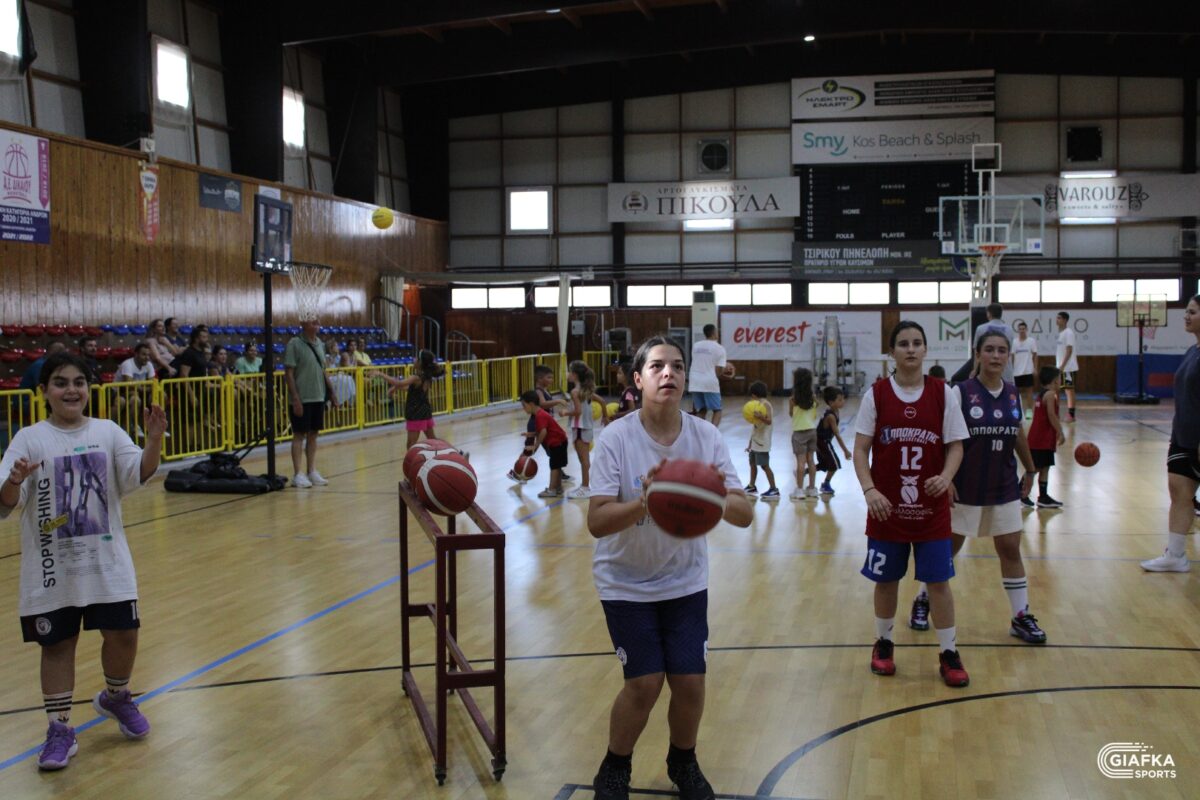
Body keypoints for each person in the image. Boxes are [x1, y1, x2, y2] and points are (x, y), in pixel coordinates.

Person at [586, 335, 752, 800]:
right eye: (658, 366)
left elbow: (744, 513)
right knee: (644, 685)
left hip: (685, 580)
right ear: (637, 380)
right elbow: (597, 521)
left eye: (678, 366)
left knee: (690, 683)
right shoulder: (616, 438)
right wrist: (648, 502)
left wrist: (706, 493)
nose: (669, 373)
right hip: (625, 582)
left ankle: (684, 760)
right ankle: (614, 766)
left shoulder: (706, 437)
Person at [0, 351, 166, 771]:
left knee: (124, 634)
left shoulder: (107, 431)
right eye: (61, 383)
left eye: (78, 382)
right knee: (57, 645)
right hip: (52, 570)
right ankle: (59, 729)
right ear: (44, 391)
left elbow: (138, 474)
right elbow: (6, 500)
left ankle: (116, 697)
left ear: (89, 389)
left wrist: (153, 442)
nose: (71, 390)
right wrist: (15, 480)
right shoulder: (28, 439)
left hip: (107, 564)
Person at [907, 330, 1046, 643]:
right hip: (965, 487)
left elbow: (1018, 433)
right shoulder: (960, 392)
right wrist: (945, 478)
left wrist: (1030, 469)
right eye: (990, 350)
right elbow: (941, 438)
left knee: (1010, 548)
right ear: (977, 354)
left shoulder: (1013, 393)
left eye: (1002, 351)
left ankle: (1020, 615)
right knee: (948, 551)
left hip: (1004, 485)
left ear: (1008, 356)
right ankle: (923, 598)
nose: (996, 356)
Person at [854, 320, 969, 687]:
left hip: (931, 511)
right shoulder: (876, 395)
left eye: (917, 343)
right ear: (892, 352)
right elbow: (860, 449)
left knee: (939, 583)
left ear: (925, 350)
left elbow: (956, 446)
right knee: (886, 581)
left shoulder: (942, 393)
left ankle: (949, 651)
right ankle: (884, 643)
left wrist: (946, 477)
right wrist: (869, 490)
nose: (911, 349)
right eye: (903, 343)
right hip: (887, 509)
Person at [1141, 294, 1200, 572]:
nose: (1186, 316)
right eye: (1186, 311)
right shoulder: (1192, 351)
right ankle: (1175, 555)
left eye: (1193, 312)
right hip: (1183, 436)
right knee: (1179, 491)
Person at [283, 319, 335, 488]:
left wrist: (332, 392)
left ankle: (311, 470)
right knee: (299, 434)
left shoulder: (320, 344)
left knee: (314, 434)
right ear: (303, 324)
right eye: (312, 322)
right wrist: (295, 398)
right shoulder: (294, 343)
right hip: (302, 398)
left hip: (318, 396)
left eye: (317, 322)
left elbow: (323, 370)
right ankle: (298, 474)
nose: (316, 324)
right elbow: (289, 373)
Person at [367, 349, 453, 450]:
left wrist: (380, 374)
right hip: (425, 410)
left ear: (420, 362)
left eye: (416, 358)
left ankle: (410, 461)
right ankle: (457, 452)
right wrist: (395, 388)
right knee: (433, 439)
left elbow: (399, 383)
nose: (414, 359)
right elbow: (412, 389)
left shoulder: (416, 377)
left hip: (415, 412)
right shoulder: (426, 376)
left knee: (411, 444)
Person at [1022, 366, 1066, 509]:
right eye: (1059, 379)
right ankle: (1020, 492)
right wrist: (1060, 431)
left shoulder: (1041, 394)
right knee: (1034, 468)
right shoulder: (1051, 395)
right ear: (1054, 381)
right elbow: (1051, 415)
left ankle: (1043, 497)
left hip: (1041, 438)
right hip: (1041, 439)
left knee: (1044, 467)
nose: (1060, 381)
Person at [565, 360, 604, 500]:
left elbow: (577, 411)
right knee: (584, 459)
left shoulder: (575, 392)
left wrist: (565, 412)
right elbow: (602, 401)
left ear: (575, 375)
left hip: (580, 428)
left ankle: (586, 487)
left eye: (569, 371)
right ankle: (585, 486)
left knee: (584, 459)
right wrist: (605, 416)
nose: (567, 374)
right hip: (585, 428)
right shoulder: (586, 390)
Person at [519, 389, 568, 499]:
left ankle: (551, 490)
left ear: (531, 404)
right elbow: (543, 430)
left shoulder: (539, 415)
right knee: (557, 466)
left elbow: (543, 432)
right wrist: (531, 434)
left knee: (554, 467)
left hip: (557, 443)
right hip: (561, 441)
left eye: (524, 405)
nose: (523, 408)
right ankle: (558, 487)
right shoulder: (541, 413)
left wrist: (535, 445)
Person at [687, 324, 733, 426]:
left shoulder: (696, 346)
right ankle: (712, 433)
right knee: (717, 410)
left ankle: (698, 432)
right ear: (714, 333)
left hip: (694, 381)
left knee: (701, 409)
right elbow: (718, 371)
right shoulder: (720, 348)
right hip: (709, 382)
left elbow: (700, 362)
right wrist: (724, 371)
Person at [744, 380, 779, 500]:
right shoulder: (756, 405)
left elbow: (769, 421)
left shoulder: (766, 405)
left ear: (754, 395)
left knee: (764, 466)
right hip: (755, 440)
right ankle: (751, 486)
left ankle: (774, 489)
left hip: (763, 442)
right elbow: (755, 426)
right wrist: (750, 443)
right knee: (752, 464)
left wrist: (760, 416)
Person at [788, 367, 819, 500]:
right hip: (812, 431)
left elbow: (791, 414)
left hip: (799, 433)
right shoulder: (813, 397)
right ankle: (812, 489)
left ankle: (799, 490)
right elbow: (815, 410)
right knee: (811, 460)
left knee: (800, 462)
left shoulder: (793, 399)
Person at [815, 386, 852, 496]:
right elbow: (837, 435)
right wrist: (845, 451)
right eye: (839, 400)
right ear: (831, 402)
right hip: (822, 442)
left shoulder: (835, 411)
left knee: (824, 464)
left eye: (843, 399)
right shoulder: (831, 416)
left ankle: (803, 472)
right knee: (834, 464)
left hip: (821, 441)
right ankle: (825, 484)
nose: (843, 401)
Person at [1011, 321, 1038, 419]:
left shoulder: (1031, 341)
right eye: (1020, 329)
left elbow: (1035, 355)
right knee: (1016, 394)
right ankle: (1017, 412)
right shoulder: (1014, 342)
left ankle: (1029, 412)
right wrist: (1011, 369)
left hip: (1028, 371)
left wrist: (1035, 368)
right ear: (1018, 330)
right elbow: (1012, 356)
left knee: (1029, 393)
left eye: (1023, 329)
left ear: (1026, 330)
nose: (1022, 331)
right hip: (1016, 372)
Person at [1055, 311, 1078, 422]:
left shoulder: (1069, 333)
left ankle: (1071, 415)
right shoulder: (1061, 334)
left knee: (1069, 390)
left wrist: (1062, 366)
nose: (1057, 320)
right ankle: (1056, 413)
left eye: (1059, 318)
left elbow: (1069, 350)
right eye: (1057, 318)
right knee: (1057, 390)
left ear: (1065, 320)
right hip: (1060, 367)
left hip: (1068, 368)